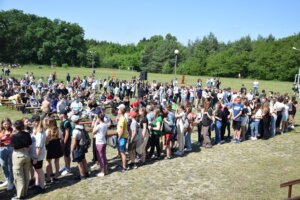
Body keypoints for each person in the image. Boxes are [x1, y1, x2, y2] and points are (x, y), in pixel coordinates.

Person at [10, 120, 32, 200]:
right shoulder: (27, 134)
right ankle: (25, 193)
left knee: (18, 176)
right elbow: (30, 144)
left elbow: (13, 146)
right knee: (26, 175)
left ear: (15, 127)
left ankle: (19, 195)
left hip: (18, 155)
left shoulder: (15, 136)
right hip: (26, 155)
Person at [29, 114, 46, 192]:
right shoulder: (35, 130)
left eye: (33, 121)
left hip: (37, 155)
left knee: (39, 170)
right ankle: (37, 184)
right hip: (34, 154)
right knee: (36, 169)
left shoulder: (40, 133)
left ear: (37, 122)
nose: (32, 123)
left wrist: (36, 157)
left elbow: (38, 147)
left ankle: (42, 186)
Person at [45, 117, 63, 184]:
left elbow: (46, 142)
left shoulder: (47, 131)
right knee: (57, 162)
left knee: (48, 162)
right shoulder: (58, 129)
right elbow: (61, 138)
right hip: (57, 146)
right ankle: (56, 177)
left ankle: (49, 178)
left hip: (50, 147)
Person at [70, 115, 89, 180]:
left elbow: (74, 142)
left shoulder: (75, 131)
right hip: (83, 146)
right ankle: (86, 172)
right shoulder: (82, 128)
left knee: (79, 162)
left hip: (78, 147)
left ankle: (82, 175)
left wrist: (72, 149)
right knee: (83, 159)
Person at [0, 118, 14, 191]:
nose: (6, 125)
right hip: (2, 149)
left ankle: (11, 183)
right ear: (2, 124)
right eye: (5, 124)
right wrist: (2, 139)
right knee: (3, 165)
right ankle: (7, 180)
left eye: (8, 123)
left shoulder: (13, 130)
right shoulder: (0, 131)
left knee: (11, 166)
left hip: (11, 149)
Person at [59, 112, 72, 176]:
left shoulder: (67, 122)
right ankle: (66, 166)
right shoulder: (62, 122)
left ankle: (68, 168)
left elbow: (67, 133)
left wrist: (64, 141)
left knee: (67, 154)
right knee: (64, 154)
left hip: (66, 141)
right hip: (62, 140)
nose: (59, 115)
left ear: (63, 115)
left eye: (60, 114)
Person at [117, 107, 128, 172]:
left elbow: (121, 130)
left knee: (122, 152)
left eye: (118, 109)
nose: (117, 110)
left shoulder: (122, 119)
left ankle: (124, 167)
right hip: (123, 137)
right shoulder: (122, 118)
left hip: (122, 137)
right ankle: (123, 165)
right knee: (122, 152)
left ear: (121, 111)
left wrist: (119, 137)